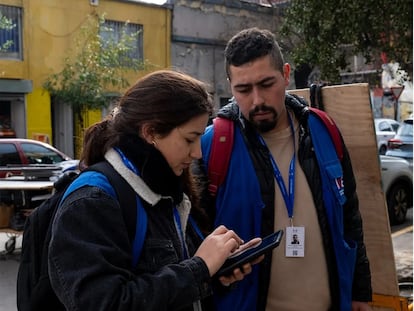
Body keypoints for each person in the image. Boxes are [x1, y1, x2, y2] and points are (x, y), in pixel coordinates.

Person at [193, 28, 372, 311]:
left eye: (267, 84)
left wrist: (360, 291)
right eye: (243, 89)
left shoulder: (323, 130)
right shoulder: (211, 145)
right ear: (230, 86)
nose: (257, 100)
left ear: (286, 74)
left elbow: (350, 218)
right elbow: (190, 242)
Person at [47, 70, 258, 311]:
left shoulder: (166, 186)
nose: (198, 152)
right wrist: (199, 268)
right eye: (190, 139)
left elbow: (171, 285)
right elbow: (105, 303)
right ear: (150, 133)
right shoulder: (93, 200)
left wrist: (216, 272)